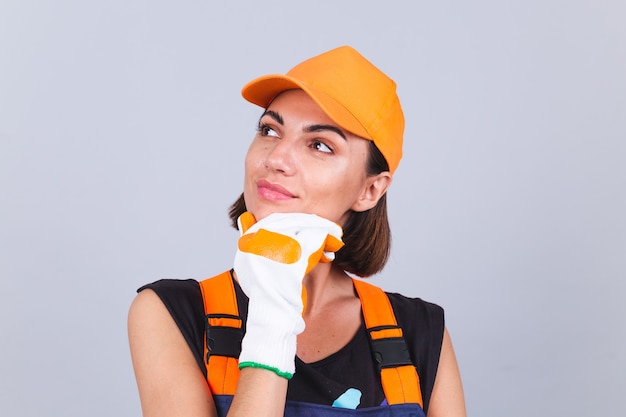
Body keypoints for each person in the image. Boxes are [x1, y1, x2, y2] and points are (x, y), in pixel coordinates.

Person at [128, 45, 466, 417]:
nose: (275, 159)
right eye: (270, 130)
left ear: (370, 190)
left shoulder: (417, 331)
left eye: (320, 145)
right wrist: (272, 317)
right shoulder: (174, 313)